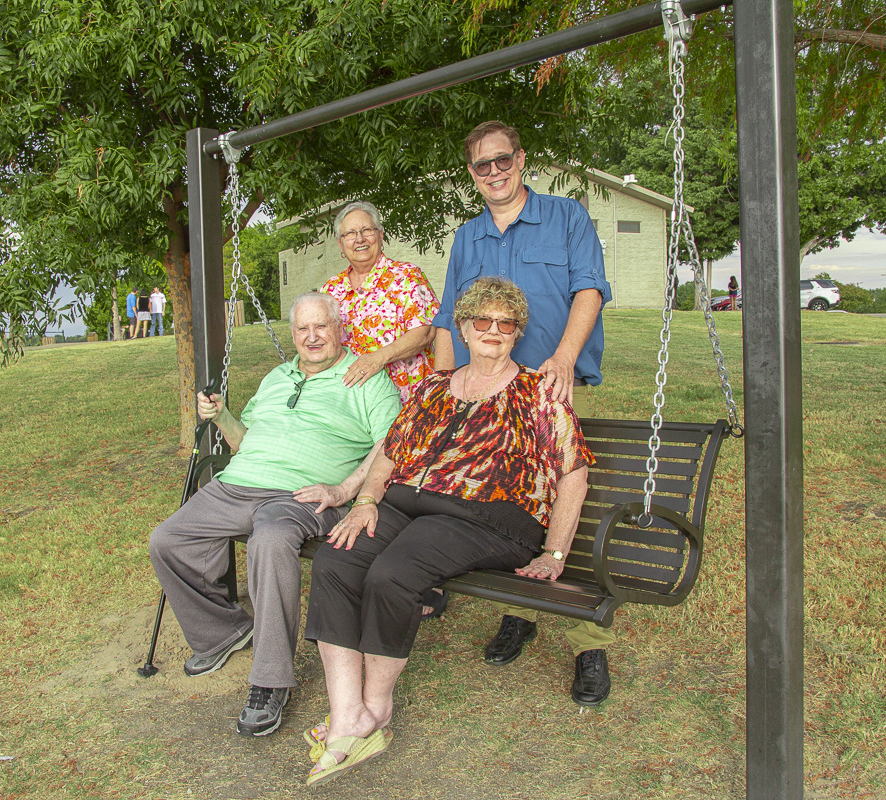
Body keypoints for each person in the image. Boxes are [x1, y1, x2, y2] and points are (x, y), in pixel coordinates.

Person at [302, 278, 592, 785]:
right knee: (336, 558)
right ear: (462, 327)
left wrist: (556, 552)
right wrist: (366, 501)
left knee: (393, 573)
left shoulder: (537, 393)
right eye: (482, 320)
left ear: (517, 333)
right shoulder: (435, 387)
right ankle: (346, 713)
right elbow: (390, 454)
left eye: (506, 324)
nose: (493, 331)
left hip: (489, 518)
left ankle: (376, 711)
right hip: (410, 505)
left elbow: (574, 472)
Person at [148, 292, 400, 738]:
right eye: (302, 329)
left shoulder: (365, 377)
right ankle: (223, 633)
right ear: (293, 336)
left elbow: (393, 444)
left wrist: (344, 489)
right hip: (239, 483)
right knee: (168, 540)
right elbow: (243, 442)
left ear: (339, 328)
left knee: (269, 538)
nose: (312, 336)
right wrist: (221, 414)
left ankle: (270, 680)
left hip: (303, 495)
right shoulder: (276, 377)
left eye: (320, 326)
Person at [432, 120, 614, 706]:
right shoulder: (468, 237)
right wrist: (441, 385)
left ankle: (589, 640)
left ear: (521, 159)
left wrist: (563, 359)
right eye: (481, 165)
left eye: (502, 159)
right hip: (486, 393)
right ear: (472, 173)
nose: (494, 171)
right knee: (503, 505)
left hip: (549, 387)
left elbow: (589, 289)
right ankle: (519, 609)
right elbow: (446, 320)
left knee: (570, 495)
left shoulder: (566, 217)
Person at [320, 201, 439, 404]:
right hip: (355, 400)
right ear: (340, 244)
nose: (359, 239)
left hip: (409, 396)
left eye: (367, 230)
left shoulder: (407, 276)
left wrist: (377, 359)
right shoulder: (331, 289)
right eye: (350, 233)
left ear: (380, 235)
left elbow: (425, 333)